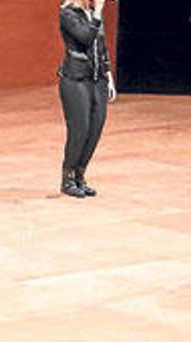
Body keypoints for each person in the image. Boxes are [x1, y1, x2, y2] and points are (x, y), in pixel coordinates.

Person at [58, 0, 116, 198]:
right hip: (75, 79)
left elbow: (102, 47)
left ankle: (80, 175)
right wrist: (98, 12)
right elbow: (85, 37)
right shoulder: (68, 14)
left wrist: (108, 77)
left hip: (97, 79)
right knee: (80, 129)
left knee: (95, 129)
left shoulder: (92, 15)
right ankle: (68, 178)